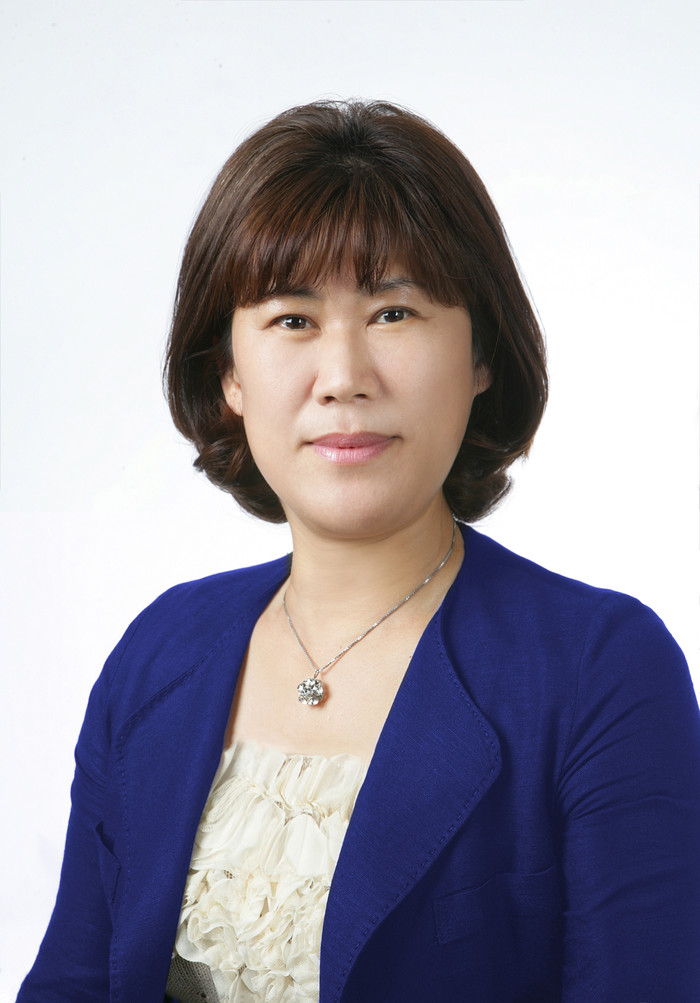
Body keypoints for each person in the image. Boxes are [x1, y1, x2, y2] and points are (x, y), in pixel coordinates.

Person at [17, 100, 700, 1003]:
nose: (343, 377)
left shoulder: (598, 670)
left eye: (394, 311)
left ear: (481, 355)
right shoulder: (161, 652)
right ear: (228, 372)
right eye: (291, 319)